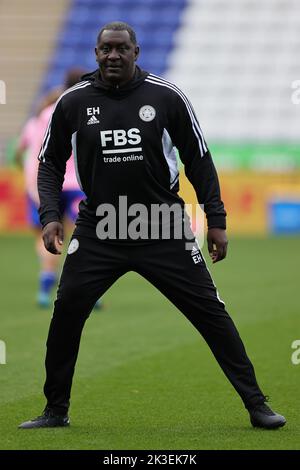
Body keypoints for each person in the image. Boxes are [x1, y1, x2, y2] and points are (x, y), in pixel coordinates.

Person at [19, 22, 285, 429]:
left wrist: (217, 221)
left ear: (136, 52)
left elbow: (199, 158)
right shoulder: (73, 102)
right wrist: (51, 216)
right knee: (67, 311)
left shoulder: (165, 97)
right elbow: (49, 163)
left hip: (161, 224)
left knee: (211, 313)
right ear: (96, 53)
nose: (112, 56)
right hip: (100, 226)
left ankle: (257, 404)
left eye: (121, 49)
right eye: (105, 49)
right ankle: (55, 410)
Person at [16, 70, 102, 308]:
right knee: (82, 234)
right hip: (76, 183)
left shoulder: (40, 117)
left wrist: (27, 174)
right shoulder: (85, 109)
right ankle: (87, 288)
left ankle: (45, 287)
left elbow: (21, 151)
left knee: (48, 235)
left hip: (42, 184)